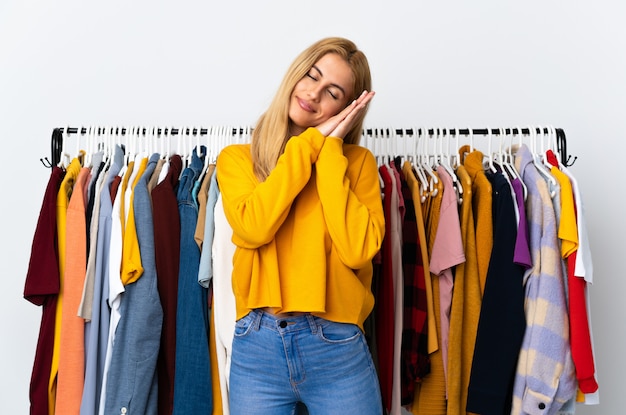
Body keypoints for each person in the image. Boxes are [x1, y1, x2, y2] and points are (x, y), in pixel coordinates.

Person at [216, 37, 385, 415]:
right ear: (296, 73)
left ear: (345, 110)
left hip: (337, 348)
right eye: (312, 75)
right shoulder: (238, 159)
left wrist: (328, 155)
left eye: (333, 93)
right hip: (257, 349)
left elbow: (358, 249)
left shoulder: (356, 164)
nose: (314, 93)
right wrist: (308, 146)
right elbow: (253, 227)